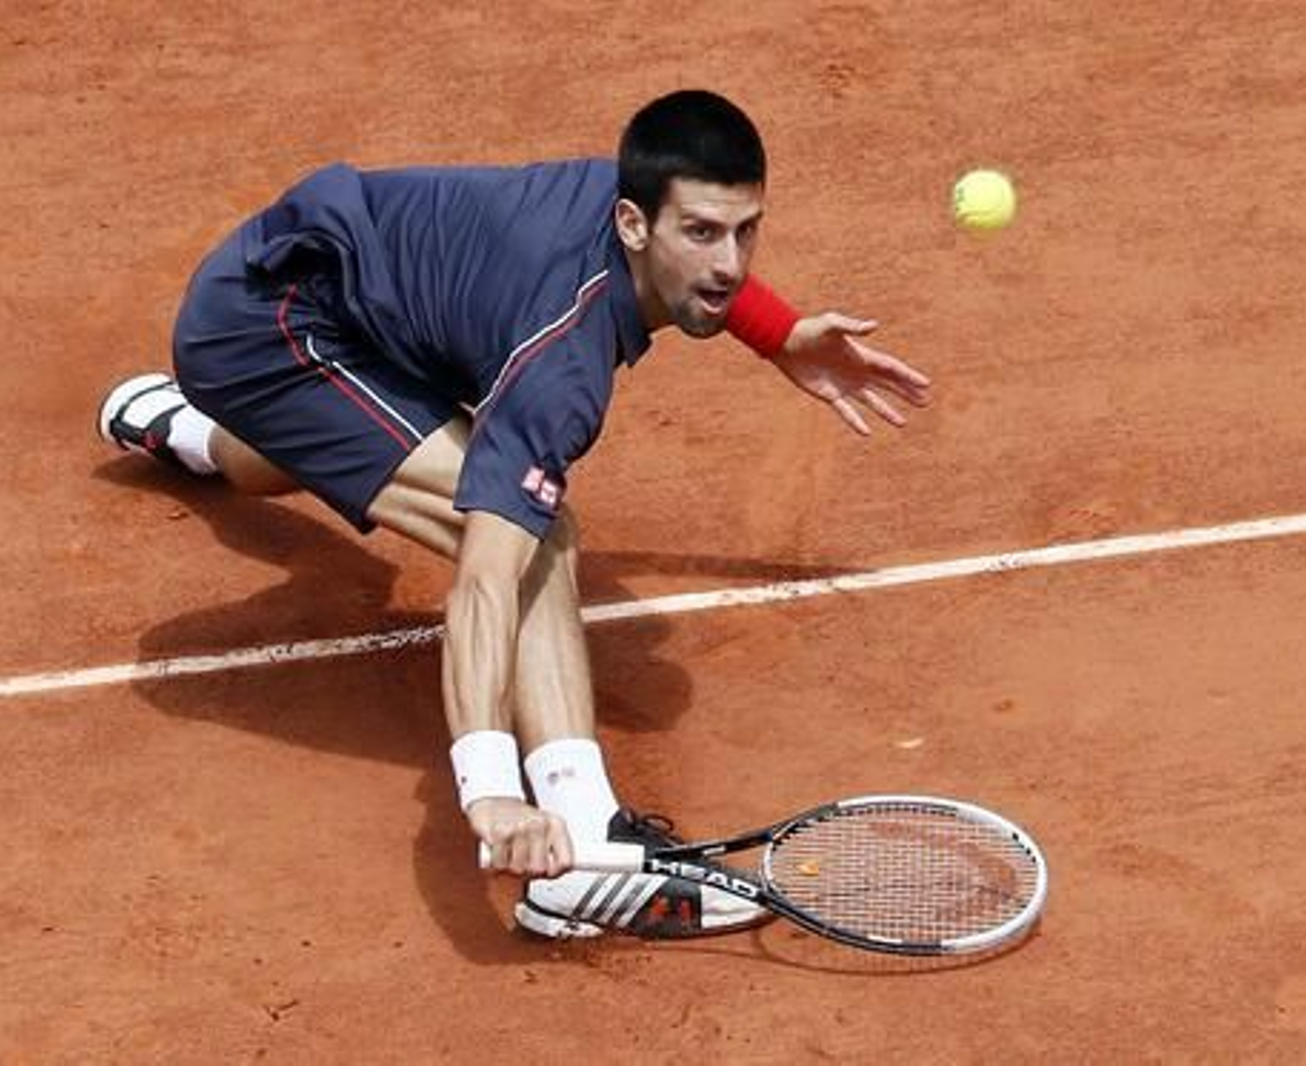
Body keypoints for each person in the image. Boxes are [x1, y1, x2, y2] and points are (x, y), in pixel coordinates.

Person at [97, 90, 931, 939]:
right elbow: (487, 580)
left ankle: (189, 433)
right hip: (268, 325)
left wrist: (779, 331)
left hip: (359, 308)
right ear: (634, 224)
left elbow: (704, 263)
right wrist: (490, 789)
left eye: (746, 230)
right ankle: (589, 842)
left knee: (329, 441)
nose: (729, 263)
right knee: (535, 539)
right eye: (703, 234)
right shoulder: (560, 363)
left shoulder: (643, 209)